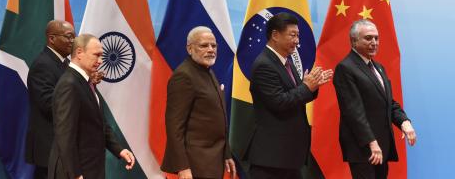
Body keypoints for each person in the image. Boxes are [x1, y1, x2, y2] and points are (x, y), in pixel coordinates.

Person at [246, 12, 333, 179]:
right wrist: (306, 87)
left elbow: (295, 97)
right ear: (275, 35)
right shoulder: (264, 65)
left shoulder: (287, 62)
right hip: (271, 158)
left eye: (298, 36)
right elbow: (279, 102)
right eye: (292, 35)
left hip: (288, 156)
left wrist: (311, 87)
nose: (297, 41)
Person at [333, 19, 416, 179]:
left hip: (381, 144)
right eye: (368, 38)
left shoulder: (378, 67)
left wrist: (404, 122)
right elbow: (353, 111)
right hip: (363, 147)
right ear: (354, 41)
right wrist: (371, 142)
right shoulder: (345, 68)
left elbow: (388, 103)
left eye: (376, 38)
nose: (374, 42)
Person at [48, 34, 135, 179]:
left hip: (90, 169)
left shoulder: (85, 81)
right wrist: (75, 174)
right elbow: (65, 135)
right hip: (75, 171)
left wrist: (119, 150)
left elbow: (98, 122)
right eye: (97, 55)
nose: (100, 61)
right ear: (79, 53)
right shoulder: (69, 85)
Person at [161, 26, 236, 179]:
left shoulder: (207, 70)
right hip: (195, 164)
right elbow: (174, 125)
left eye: (213, 45)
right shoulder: (184, 76)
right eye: (204, 45)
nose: (210, 49)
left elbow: (218, 117)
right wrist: (182, 167)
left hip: (213, 160)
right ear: (190, 49)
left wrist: (226, 153)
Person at [25, 20, 75, 179]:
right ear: (51, 39)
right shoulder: (42, 65)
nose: (73, 41)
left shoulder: (65, 63)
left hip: (63, 148)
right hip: (49, 148)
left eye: (74, 37)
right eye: (68, 37)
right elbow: (48, 104)